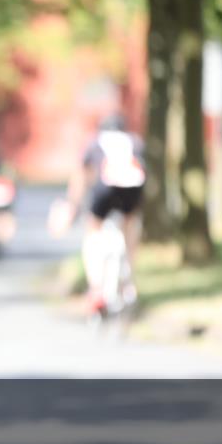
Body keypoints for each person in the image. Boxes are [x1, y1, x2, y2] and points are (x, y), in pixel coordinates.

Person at [61, 112, 146, 313]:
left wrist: (72, 204)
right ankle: (129, 279)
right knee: (130, 227)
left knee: (93, 231)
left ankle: (96, 288)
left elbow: (81, 175)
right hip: (132, 189)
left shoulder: (95, 142)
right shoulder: (135, 141)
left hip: (104, 188)